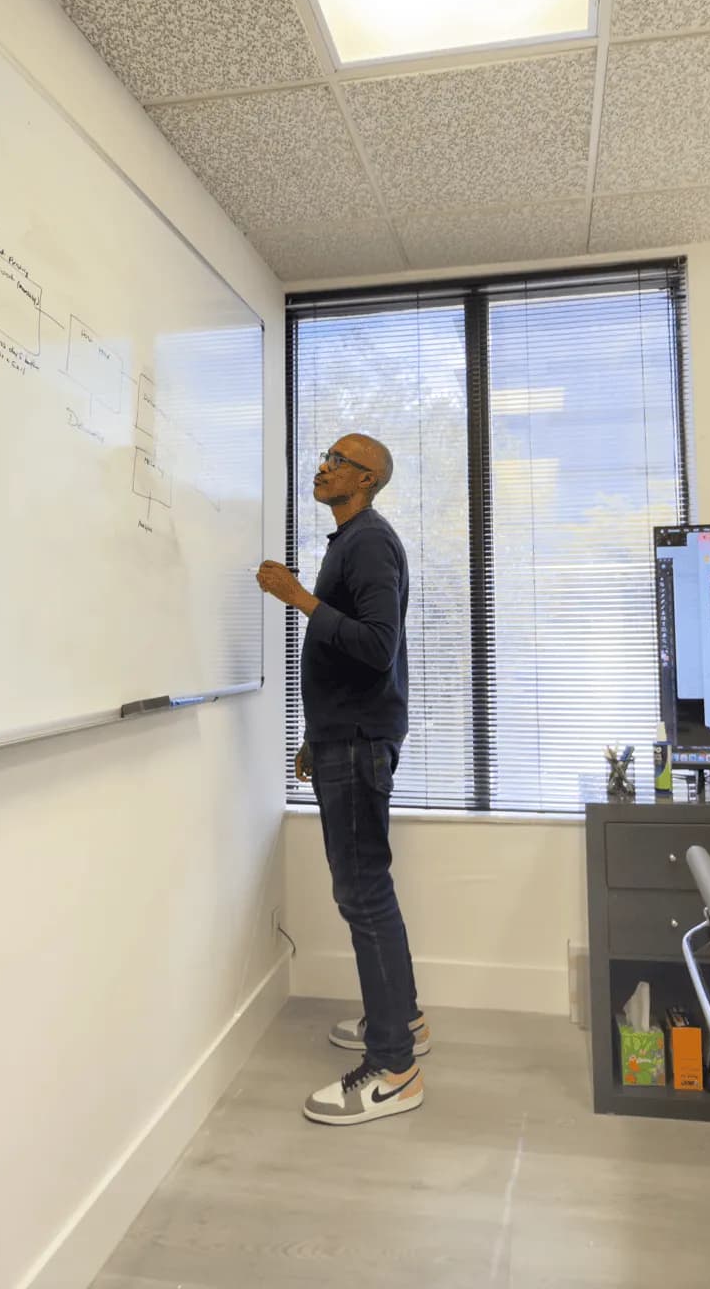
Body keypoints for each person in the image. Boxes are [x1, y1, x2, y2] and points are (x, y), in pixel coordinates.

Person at [256, 433, 426, 1127]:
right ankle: (403, 1025)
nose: (321, 467)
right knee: (368, 892)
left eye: (337, 461)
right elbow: (351, 654)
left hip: (357, 743)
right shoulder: (349, 541)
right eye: (324, 457)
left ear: (368, 478)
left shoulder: (369, 543)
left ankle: (394, 1070)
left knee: (362, 896)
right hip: (343, 737)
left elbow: (376, 646)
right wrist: (314, 734)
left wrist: (295, 596)